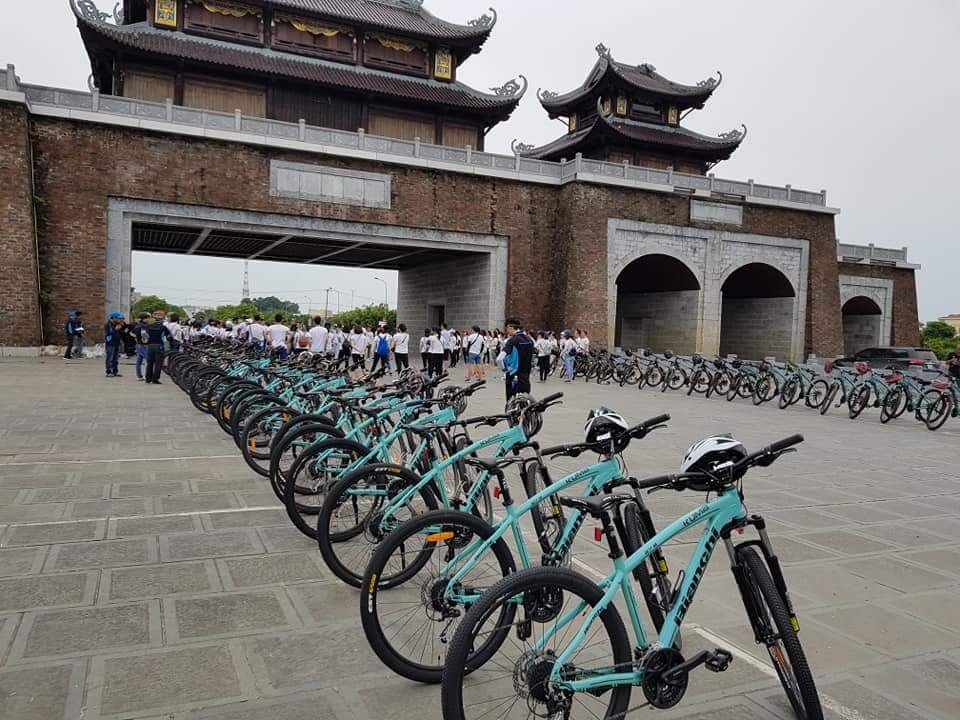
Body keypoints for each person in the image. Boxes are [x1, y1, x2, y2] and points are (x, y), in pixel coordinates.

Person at [498, 319, 535, 399]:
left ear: (510, 327)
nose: (507, 331)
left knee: (511, 401)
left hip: (513, 375)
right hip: (525, 375)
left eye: (507, 329)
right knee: (524, 399)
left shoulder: (512, 341)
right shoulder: (529, 340)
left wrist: (505, 370)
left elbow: (500, 359)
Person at [140, 312, 171, 384]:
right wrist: (166, 346)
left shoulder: (149, 326)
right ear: (161, 320)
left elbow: (144, 335)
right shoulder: (163, 327)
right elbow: (167, 337)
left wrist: (148, 340)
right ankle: (155, 379)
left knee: (150, 363)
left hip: (150, 346)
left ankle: (148, 379)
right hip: (159, 345)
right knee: (158, 363)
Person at [103, 312, 125, 378]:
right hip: (110, 344)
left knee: (116, 359)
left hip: (116, 343)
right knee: (110, 358)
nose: (120, 320)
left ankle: (115, 371)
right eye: (118, 318)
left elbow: (121, 333)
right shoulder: (108, 325)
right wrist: (115, 329)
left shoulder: (117, 324)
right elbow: (109, 334)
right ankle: (109, 371)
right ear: (114, 318)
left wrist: (122, 328)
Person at [134, 312, 150, 381]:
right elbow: (145, 335)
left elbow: (133, 334)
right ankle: (147, 375)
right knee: (148, 360)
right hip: (144, 345)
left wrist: (137, 340)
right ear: (143, 319)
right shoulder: (144, 326)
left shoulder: (137, 326)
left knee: (139, 361)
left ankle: (139, 376)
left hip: (138, 344)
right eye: (147, 318)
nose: (148, 319)